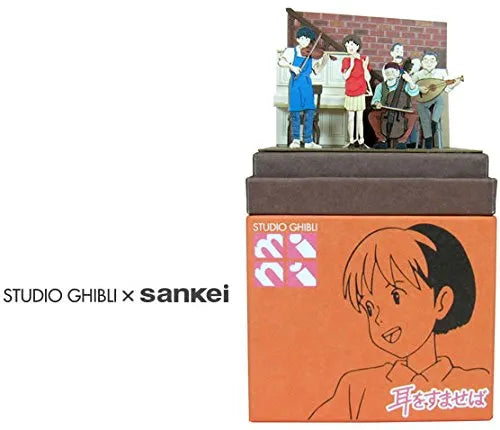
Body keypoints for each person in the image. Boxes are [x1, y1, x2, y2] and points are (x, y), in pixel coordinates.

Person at [309, 224, 489, 421]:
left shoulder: (475, 383)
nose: (378, 317)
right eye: (370, 308)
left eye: (396, 296)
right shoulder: (356, 388)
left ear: (441, 302)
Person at [278, 27, 329, 149]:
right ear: (297, 39)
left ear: (310, 41)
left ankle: (308, 141)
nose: (304, 41)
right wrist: (292, 67)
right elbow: (280, 62)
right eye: (301, 38)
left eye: (307, 39)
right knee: (295, 112)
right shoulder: (291, 52)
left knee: (309, 111)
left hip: (307, 84)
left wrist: (324, 61)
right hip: (295, 84)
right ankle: (296, 140)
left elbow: (316, 71)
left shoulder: (311, 54)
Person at [412, 51, 461, 148]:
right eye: (426, 60)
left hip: (436, 99)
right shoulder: (417, 75)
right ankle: (428, 138)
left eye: (432, 60)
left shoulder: (441, 73)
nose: (429, 63)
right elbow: (410, 87)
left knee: (440, 100)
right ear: (422, 63)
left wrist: (455, 83)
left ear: (436, 63)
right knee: (421, 108)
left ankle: (434, 122)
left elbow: (447, 87)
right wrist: (419, 88)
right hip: (423, 100)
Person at [368, 62, 419, 149]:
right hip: (385, 111)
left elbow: (414, 92)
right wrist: (377, 103)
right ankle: (381, 139)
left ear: (398, 73)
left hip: (401, 111)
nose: (390, 73)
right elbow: (375, 100)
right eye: (387, 72)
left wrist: (410, 81)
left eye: (393, 71)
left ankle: (402, 140)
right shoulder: (380, 86)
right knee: (372, 115)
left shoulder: (404, 84)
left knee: (413, 116)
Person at [341, 34, 371, 149]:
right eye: (348, 45)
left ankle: (361, 140)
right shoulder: (346, 60)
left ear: (358, 46)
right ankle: (351, 140)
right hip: (350, 92)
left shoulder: (363, 59)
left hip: (360, 91)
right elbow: (345, 77)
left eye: (352, 44)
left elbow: (368, 78)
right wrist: (351, 65)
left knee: (359, 118)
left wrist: (364, 67)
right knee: (350, 117)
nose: (350, 47)